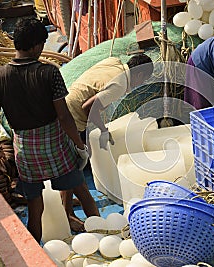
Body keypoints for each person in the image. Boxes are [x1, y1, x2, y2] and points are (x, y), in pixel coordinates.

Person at [0, 17, 99, 242]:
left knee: (34, 209)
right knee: (83, 193)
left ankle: (35, 251)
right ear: (37, 45)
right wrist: (79, 145)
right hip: (56, 146)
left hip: (25, 151)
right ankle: (105, 234)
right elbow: (64, 116)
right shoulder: (49, 73)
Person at [63, 54, 153, 230]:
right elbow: (88, 107)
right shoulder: (119, 84)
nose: (139, 85)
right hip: (71, 117)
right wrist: (103, 130)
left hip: (67, 103)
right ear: (139, 75)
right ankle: (68, 215)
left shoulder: (114, 63)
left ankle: (68, 202)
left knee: (70, 166)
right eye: (142, 81)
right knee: (70, 168)